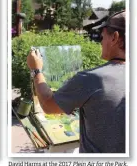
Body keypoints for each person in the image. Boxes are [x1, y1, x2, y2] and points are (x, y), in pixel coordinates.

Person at [26, 11, 126, 153]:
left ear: (115, 37)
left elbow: (48, 105)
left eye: (102, 36)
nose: (101, 41)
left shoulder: (92, 79)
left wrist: (36, 70)